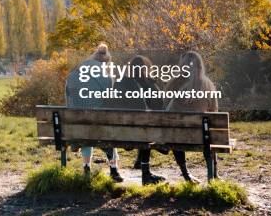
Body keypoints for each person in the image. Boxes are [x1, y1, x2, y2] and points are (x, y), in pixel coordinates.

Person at [66, 43, 123, 182]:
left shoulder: (74, 74)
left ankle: (86, 168)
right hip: (99, 123)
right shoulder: (107, 78)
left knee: (86, 131)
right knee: (105, 132)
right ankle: (114, 170)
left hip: (77, 122)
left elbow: (68, 98)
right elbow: (110, 101)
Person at [165, 51, 218, 183]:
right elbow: (214, 111)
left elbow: (167, 112)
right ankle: (214, 175)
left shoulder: (174, 84)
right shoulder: (208, 85)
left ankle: (186, 174)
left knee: (175, 134)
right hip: (202, 137)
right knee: (209, 132)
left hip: (179, 137)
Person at [115, 55, 166, 185]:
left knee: (141, 125)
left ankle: (139, 161)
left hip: (122, 133)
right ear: (145, 69)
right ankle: (146, 174)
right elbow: (160, 104)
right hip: (143, 132)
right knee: (145, 126)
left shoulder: (120, 83)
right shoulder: (149, 83)